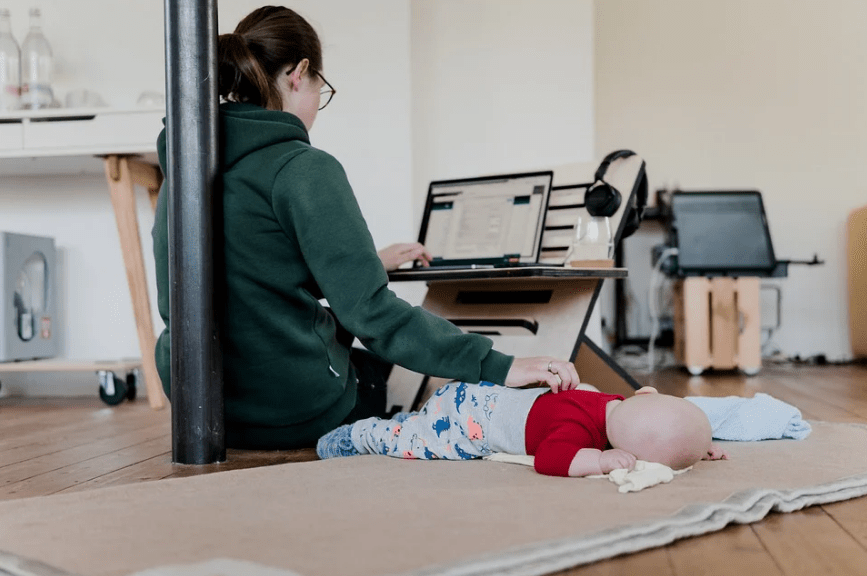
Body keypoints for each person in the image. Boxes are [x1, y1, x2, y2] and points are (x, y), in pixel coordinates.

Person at [151, 5, 580, 450]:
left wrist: (368, 263)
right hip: (289, 411)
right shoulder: (302, 167)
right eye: (322, 87)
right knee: (388, 377)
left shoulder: (187, 168)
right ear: (299, 73)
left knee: (332, 327)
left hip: (203, 407)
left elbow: (253, 275)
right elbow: (371, 314)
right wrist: (500, 364)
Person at [316, 384, 728, 476]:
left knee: (419, 423)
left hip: (474, 396)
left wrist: (698, 446)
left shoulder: (611, 400)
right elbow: (549, 460)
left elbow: (662, 427)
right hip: (465, 425)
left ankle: (409, 421)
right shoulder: (575, 430)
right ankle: (358, 435)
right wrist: (599, 460)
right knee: (414, 444)